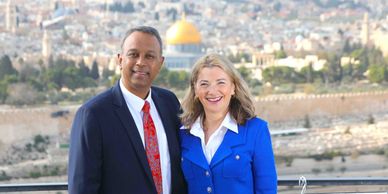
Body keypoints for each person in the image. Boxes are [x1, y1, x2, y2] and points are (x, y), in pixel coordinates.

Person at [68, 26, 187, 194]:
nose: (141, 62)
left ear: (160, 63)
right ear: (120, 60)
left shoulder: (169, 103)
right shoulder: (93, 115)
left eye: (149, 56)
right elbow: (82, 187)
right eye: (133, 54)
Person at [179, 53, 277, 194]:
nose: (212, 91)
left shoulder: (256, 130)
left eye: (221, 82)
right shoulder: (183, 133)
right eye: (204, 84)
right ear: (195, 89)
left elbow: (266, 190)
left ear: (233, 88)